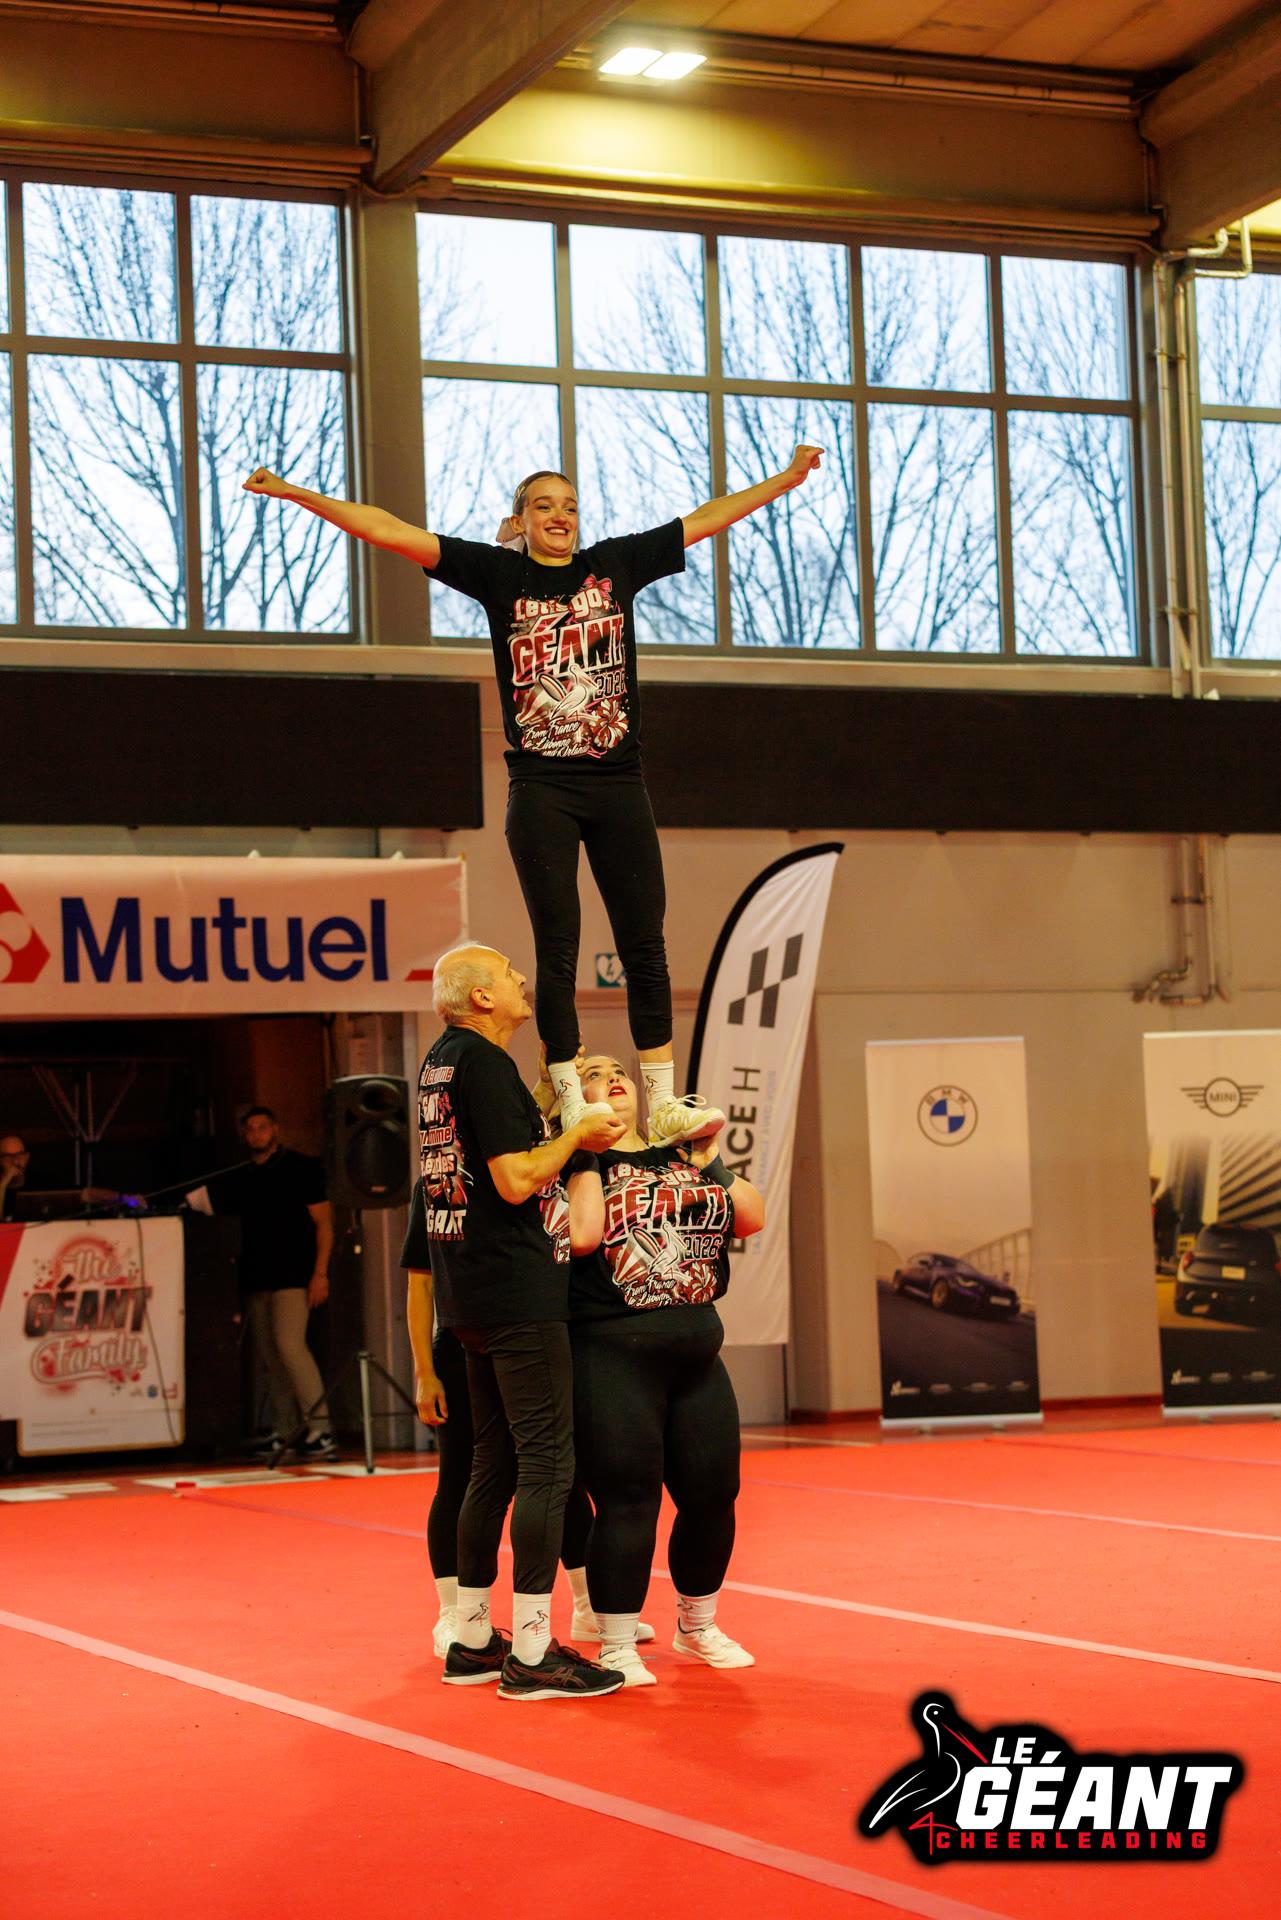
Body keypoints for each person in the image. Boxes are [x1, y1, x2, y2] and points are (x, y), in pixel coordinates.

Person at [240, 444, 823, 1143]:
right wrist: (297, 493)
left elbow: (706, 517)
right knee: (559, 949)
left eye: (569, 506)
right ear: (519, 520)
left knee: (646, 944)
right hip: (543, 787)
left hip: (618, 781)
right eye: (544, 506)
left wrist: (787, 479)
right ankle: (570, 1096)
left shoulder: (613, 565)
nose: (560, 516)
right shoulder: (498, 574)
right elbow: (388, 529)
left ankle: (665, 1100)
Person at [416, 942, 626, 1700]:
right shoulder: (483, 1062)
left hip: (467, 1296)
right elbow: (514, 1179)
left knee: (493, 1465)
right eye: (508, 975)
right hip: (514, 1294)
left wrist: (547, 1109)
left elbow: (484, 1161)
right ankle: (534, 1651)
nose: (521, 982)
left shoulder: (438, 1064)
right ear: (481, 997)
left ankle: (472, 1637)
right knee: (547, 1466)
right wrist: (579, 1136)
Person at [565, 1053, 765, 1687]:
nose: (612, 1077)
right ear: (574, 1097)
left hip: (697, 1353)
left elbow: (752, 1216)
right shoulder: (574, 1162)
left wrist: (710, 1157)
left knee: (713, 1495)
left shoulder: (682, 1155)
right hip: (612, 1353)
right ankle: (615, 1641)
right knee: (628, 1500)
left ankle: (697, 1624)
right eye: (593, 1074)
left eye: (619, 1071)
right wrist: (584, 1149)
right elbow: (584, 1238)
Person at [401, 1188, 654, 1658]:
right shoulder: (444, 1182)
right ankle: (454, 1613)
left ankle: (586, 1604)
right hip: (466, 1343)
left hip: (536, 1335)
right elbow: (420, 1283)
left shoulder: (549, 1178)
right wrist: (424, 1372)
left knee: (561, 1475)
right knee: (465, 1475)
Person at [188, 1106, 336, 1460]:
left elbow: (324, 1223)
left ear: (276, 1129)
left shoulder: (301, 1167)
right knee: (270, 1356)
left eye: (262, 1127)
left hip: (294, 1274)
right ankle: (286, 1429)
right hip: (258, 1275)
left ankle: (321, 1427)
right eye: (250, 1129)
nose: (256, 1134)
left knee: (290, 1345)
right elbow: (204, 1201)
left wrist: (320, 1273)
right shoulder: (242, 1175)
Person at [0, 1135, 29, 1222]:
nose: (15, 1162)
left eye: (20, 1155)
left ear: (27, 1157)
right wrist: (3, 1184)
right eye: (8, 1156)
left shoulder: (43, 1181)